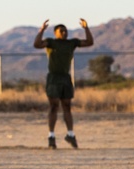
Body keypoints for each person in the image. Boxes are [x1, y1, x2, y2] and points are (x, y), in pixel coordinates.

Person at [34, 19, 94, 149]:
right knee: (54, 106)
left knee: (67, 106)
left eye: (66, 30)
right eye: (61, 31)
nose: (64, 32)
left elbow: (89, 42)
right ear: (55, 33)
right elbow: (37, 44)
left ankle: (70, 134)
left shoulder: (71, 43)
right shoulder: (51, 42)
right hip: (54, 78)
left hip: (65, 78)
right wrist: (42, 30)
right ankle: (51, 136)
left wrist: (86, 28)